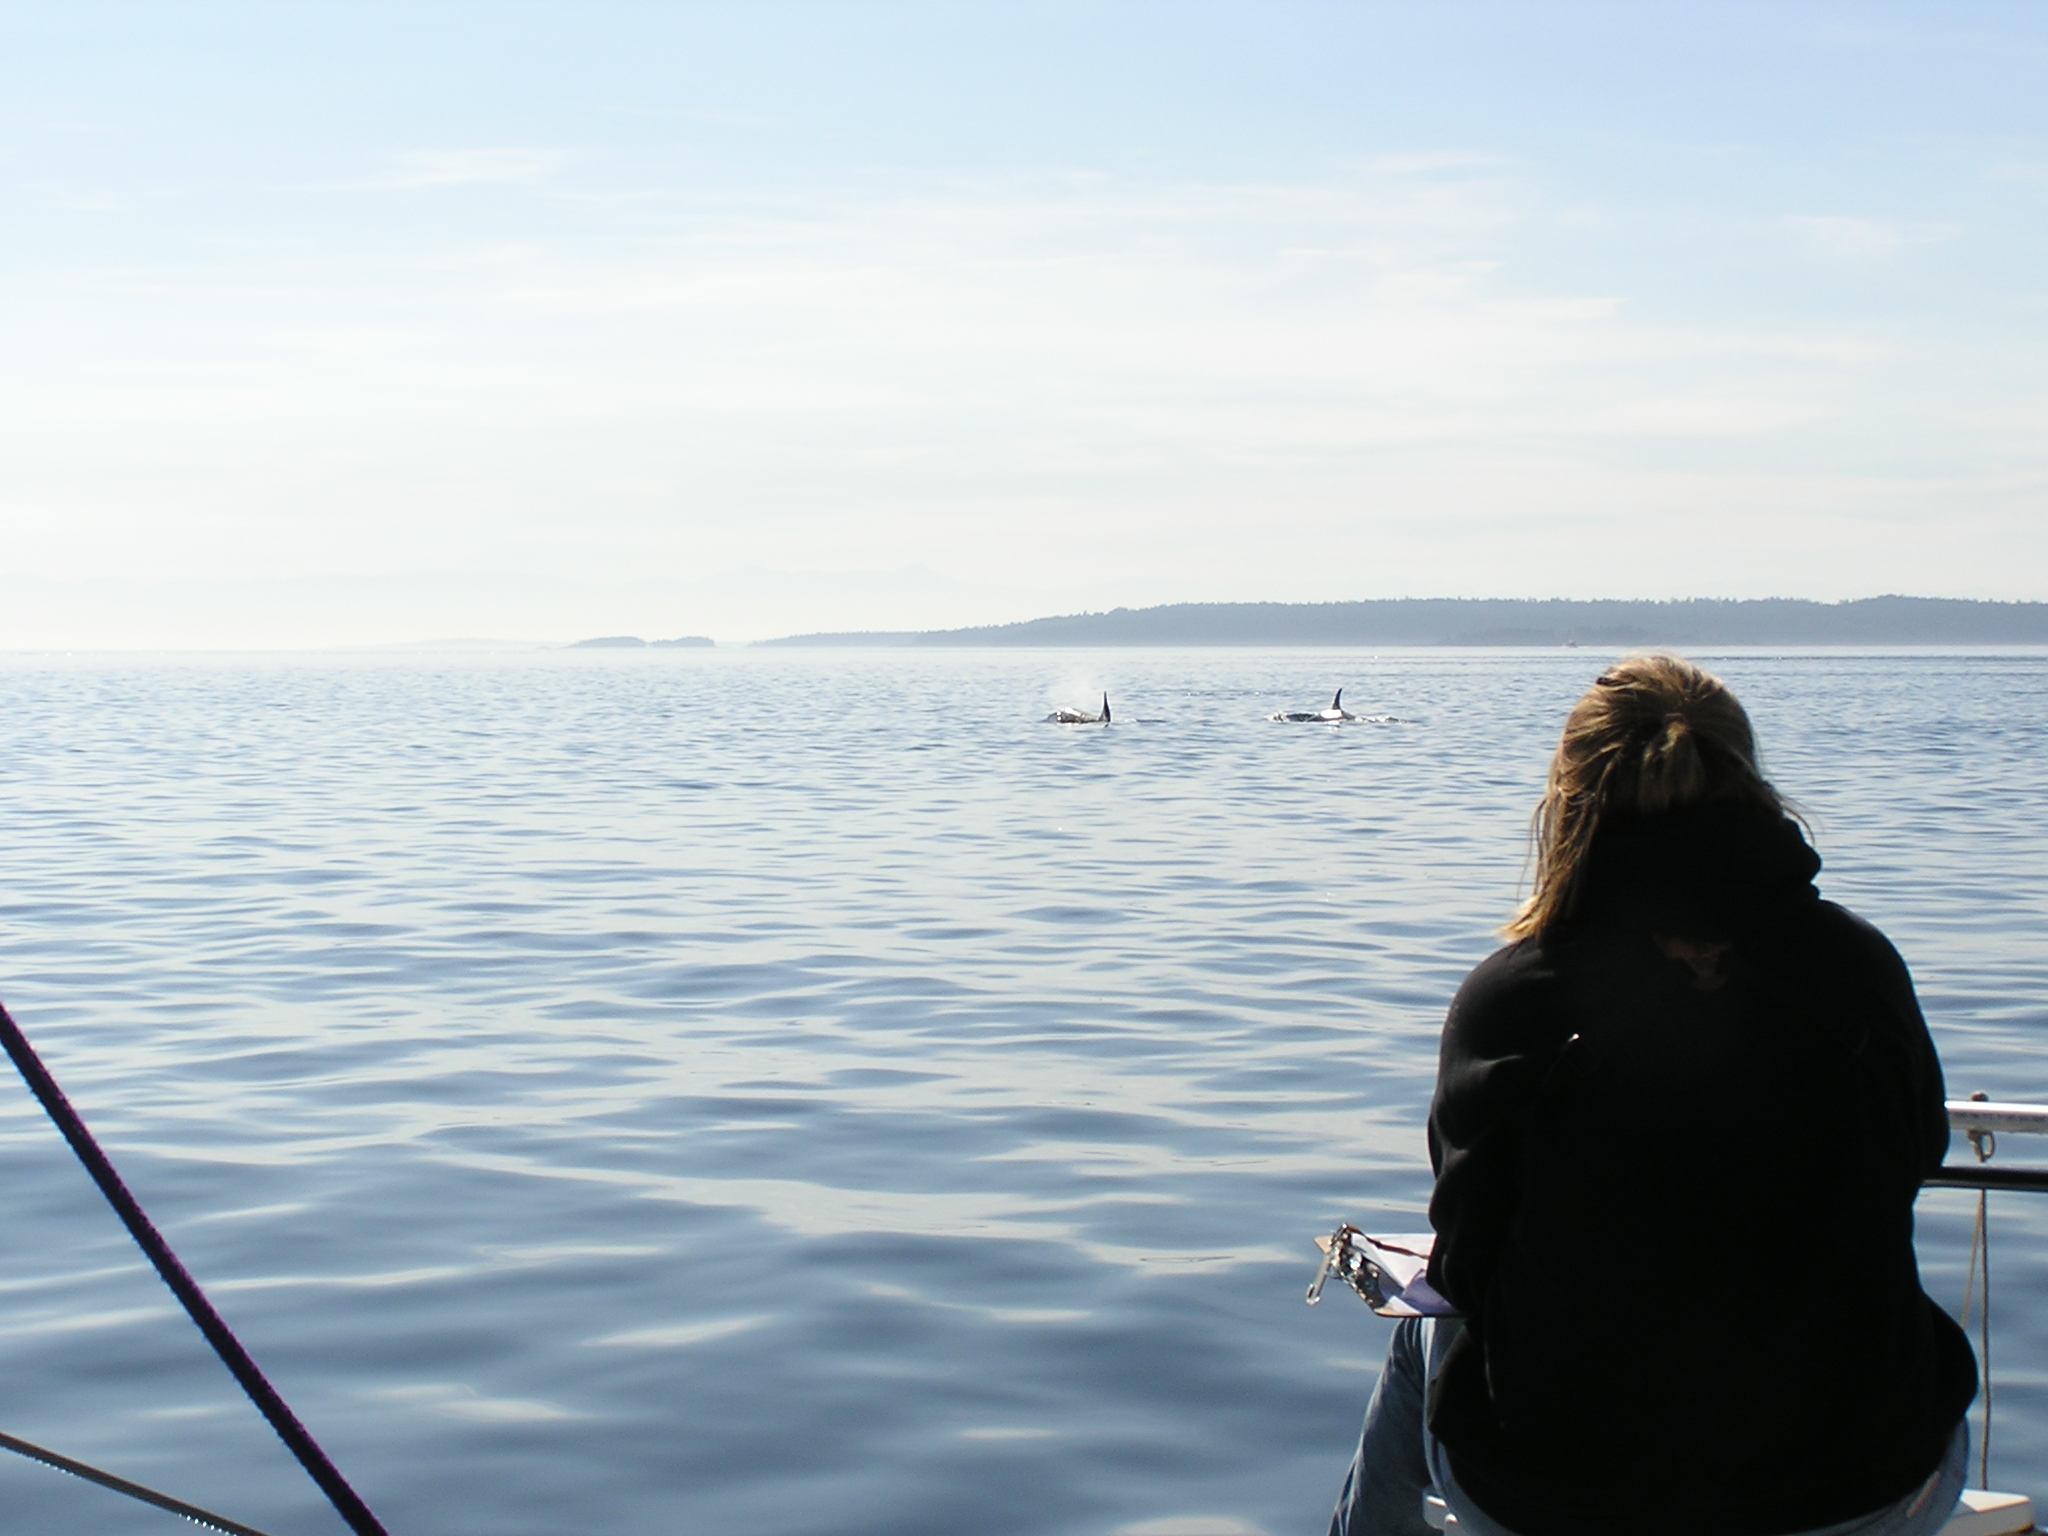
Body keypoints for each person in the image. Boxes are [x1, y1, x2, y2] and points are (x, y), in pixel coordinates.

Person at [1329, 655, 1977, 1536]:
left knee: (1425, 1330)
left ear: (1566, 803)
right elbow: (1911, 1161)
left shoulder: (1511, 1001)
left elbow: (1470, 1263)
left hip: (1565, 1499)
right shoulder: (1858, 969)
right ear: (1749, 780)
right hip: (1860, 1486)